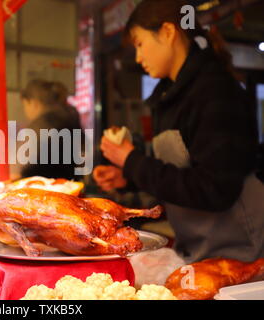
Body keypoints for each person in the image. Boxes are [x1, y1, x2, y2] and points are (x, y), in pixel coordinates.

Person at [93, 0, 264, 263]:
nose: (138, 58)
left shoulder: (215, 91)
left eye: (140, 44)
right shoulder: (169, 97)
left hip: (241, 254)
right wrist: (129, 177)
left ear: (168, 32)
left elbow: (214, 189)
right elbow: (181, 176)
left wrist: (131, 160)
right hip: (198, 251)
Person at [20, 79, 83, 180]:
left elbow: (28, 167)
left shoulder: (42, 124)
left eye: (25, 105)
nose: (25, 111)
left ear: (33, 103)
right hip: (70, 183)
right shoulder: (69, 116)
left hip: (48, 187)